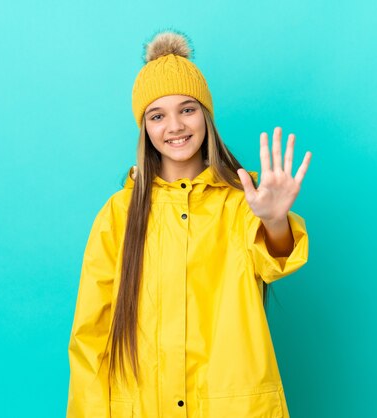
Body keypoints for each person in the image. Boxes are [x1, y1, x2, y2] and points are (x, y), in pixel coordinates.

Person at [66, 29, 312, 418]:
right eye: (157, 115)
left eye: (188, 109)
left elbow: (274, 261)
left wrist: (275, 220)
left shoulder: (242, 200)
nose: (175, 126)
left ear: (206, 115)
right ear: (144, 127)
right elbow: (89, 335)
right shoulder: (118, 214)